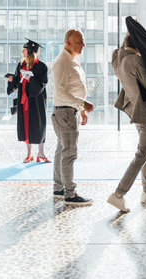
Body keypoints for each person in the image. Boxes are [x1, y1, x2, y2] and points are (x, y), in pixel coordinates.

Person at [107, 32, 146, 213]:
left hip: (135, 110)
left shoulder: (118, 57)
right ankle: (118, 194)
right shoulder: (136, 61)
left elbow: (123, 49)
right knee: (142, 154)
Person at [52, 29, 94, 206]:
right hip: (65, 112)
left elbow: (74, 86)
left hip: (69, 110)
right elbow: (60, 90)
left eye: (83, 41)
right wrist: (83, 103)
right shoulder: (62, 62)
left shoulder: (72, 59)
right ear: (67, 43)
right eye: (79, 42)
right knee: (69, 152)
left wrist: (81, 109)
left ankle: (58, 188)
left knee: (62, 149)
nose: (83, 45)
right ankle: (70, 194)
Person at [7, 39, 50, 163]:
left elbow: (43, 83)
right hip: (24, 101)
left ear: (30, 51)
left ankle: (41, 153)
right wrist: (12, 79)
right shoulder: (21, 65)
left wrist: (30, 79)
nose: (22, 51)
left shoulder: (41, 66)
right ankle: (29, 154)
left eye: (24, 49)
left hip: (37, 101)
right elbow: (16, 82)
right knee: (26, 125)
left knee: (39, 125)